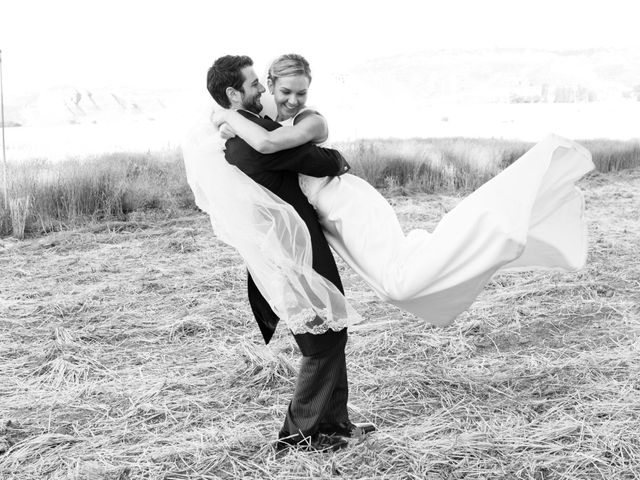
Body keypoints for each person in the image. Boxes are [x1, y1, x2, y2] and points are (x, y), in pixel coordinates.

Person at [211, 53, 595, 327]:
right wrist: (232, 119)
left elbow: (272, 145)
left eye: (302, 92)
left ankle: (497, 227)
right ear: (270, 87)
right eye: (285, 92)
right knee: (390, 283)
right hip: (327, 213)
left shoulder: (311, 120)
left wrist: (226, 116)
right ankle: (486, 235)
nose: (293, 100)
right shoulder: (258, 119)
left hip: (346, 201)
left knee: (398, 282)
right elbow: (257, 137)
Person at [192, 55, 375, 453]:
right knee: (319, 340)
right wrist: (335, 156)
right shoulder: (248, 143)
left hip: (297, 245)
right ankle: (296, 436)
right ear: (233, 93)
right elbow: (323, 159)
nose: (261, 90)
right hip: (294, 251)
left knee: (332, 332)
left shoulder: (246, 130)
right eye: (254, 84)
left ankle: (334, 424)